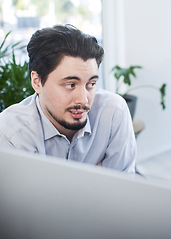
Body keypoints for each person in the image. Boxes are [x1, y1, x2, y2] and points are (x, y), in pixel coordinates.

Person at [0, 25, 136, 173]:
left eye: (91, 84)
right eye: (70, 85)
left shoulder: (113, 112)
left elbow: (121, 188)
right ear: (37, 82)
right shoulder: (9, 134)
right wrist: (94, 178)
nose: (83, 100)